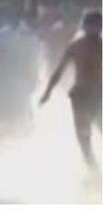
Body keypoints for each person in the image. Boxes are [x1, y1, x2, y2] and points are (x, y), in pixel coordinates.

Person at [40, 9, 102, 170]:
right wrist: (47, 93)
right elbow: (58, 71)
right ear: (84, 26)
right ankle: (92, 169)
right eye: (90, 25)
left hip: (99, 92)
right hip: (81, 93)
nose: (93, 29)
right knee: (83, 135)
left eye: (97, 25)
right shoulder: (75, 45)